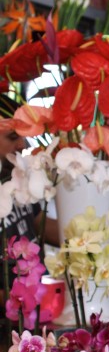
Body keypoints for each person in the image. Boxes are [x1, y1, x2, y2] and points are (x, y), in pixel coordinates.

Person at [0, 95, 59, 244]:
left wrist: (98, 240)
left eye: (23, 136)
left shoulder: (17, 175)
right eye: (13, 137)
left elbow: (40, 224)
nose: (23, 145)